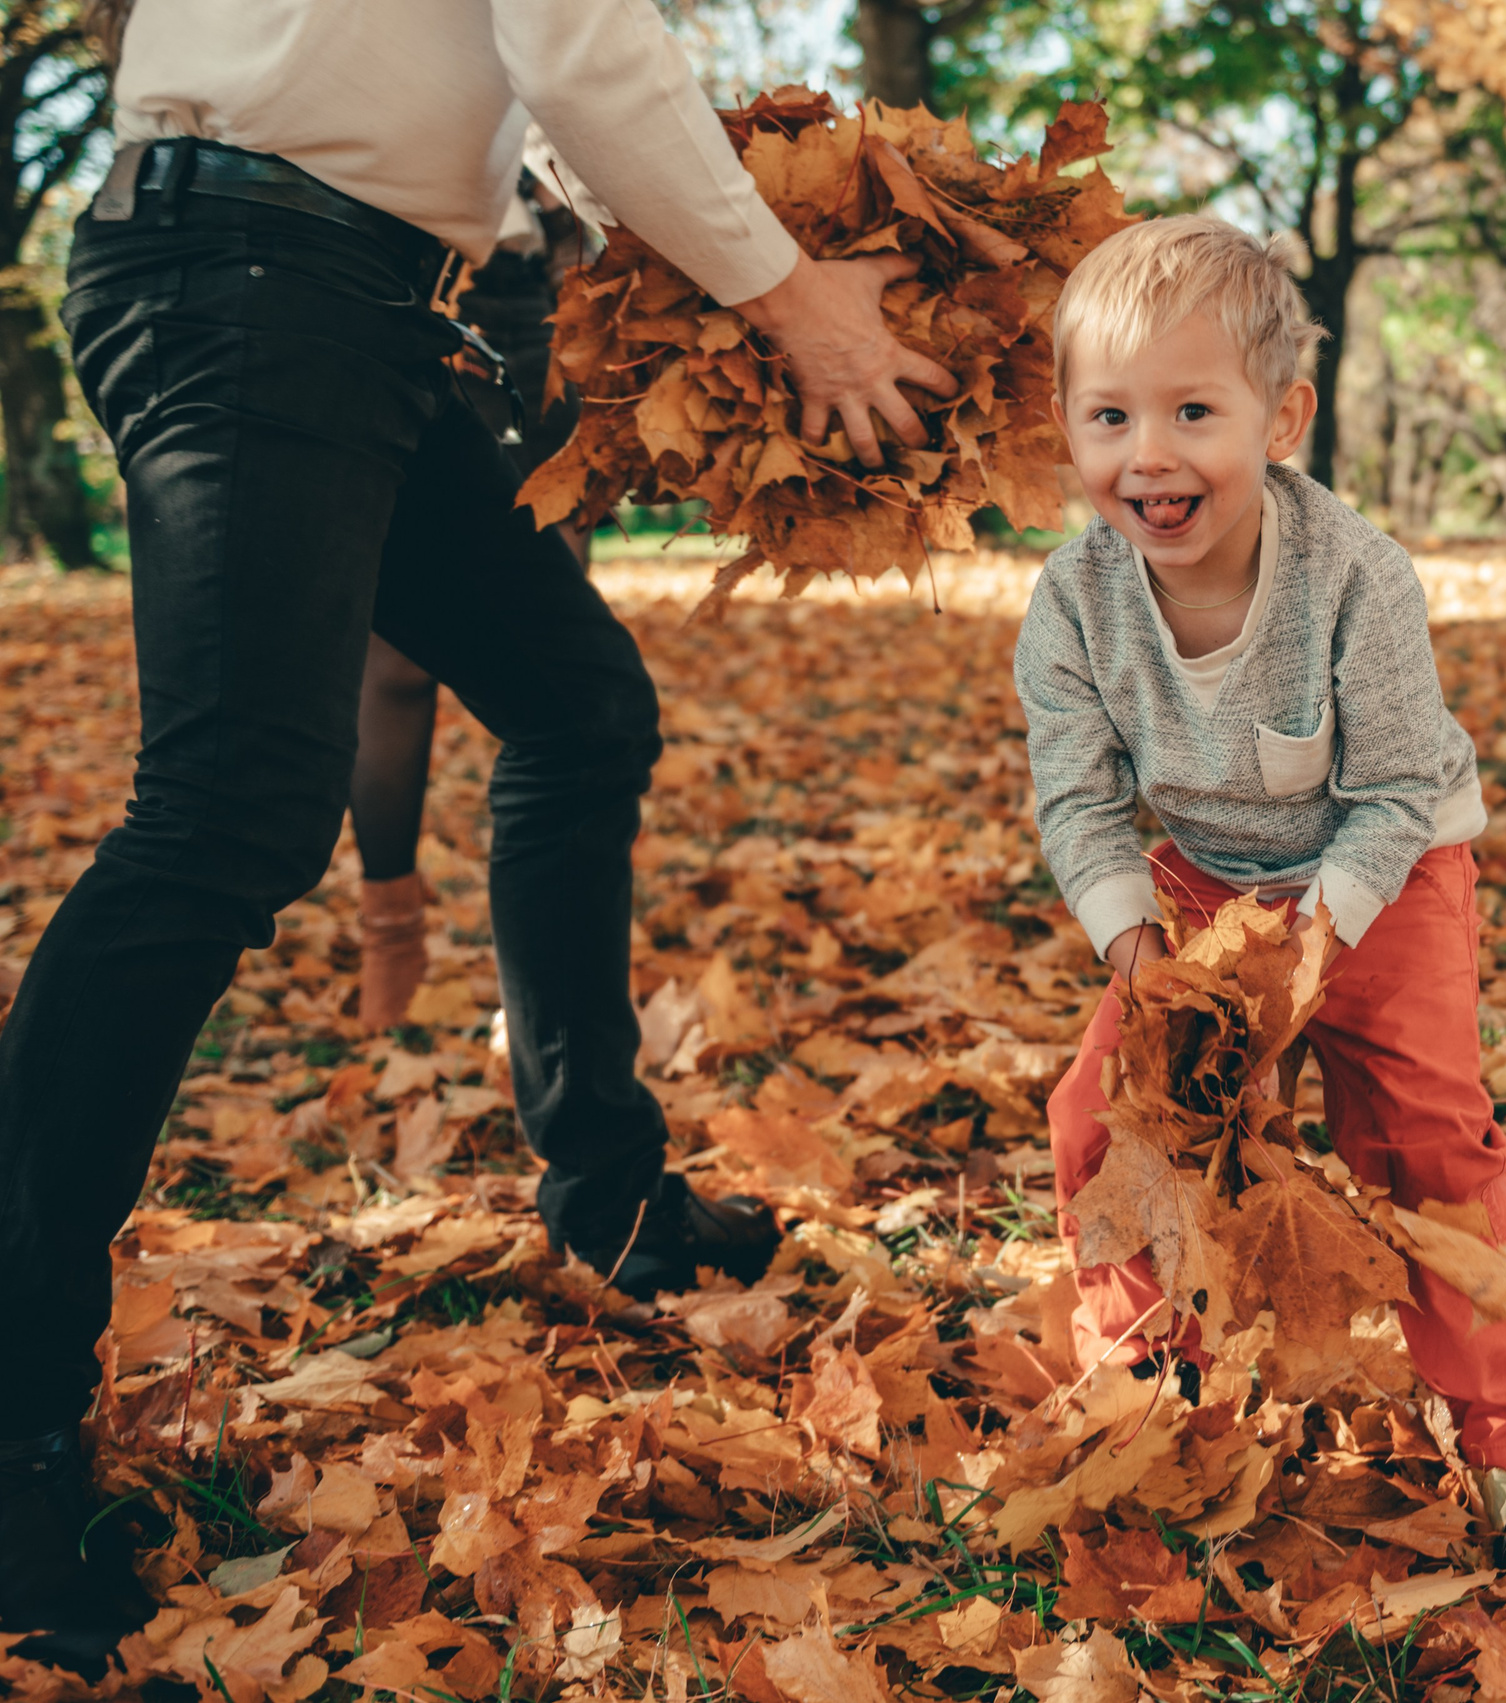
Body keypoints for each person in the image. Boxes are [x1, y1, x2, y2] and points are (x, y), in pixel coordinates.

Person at [0, 1, 956, 1669]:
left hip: (356, 299)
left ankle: (609, 1197)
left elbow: (545, 86)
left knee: (579, 708)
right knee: (227, 812)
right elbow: (581, 39)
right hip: (256, 277)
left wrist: (693, 265)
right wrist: (796, 300)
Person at [1015, 217, 1506, 1569]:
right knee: (1113, 1117)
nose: (1148, 454)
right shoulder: (1073, 602)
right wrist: (1139, 953)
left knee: (1423, 1136)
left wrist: (1312, 947)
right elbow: (1081, 802)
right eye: (1110, 416)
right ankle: (1149, 1392)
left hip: (1383, 873)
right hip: (1200, 883)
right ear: (1065, 426)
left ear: (1281, 418)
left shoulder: (1352, 574)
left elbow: (1395, 790)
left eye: (1193, 412)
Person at [357, 159, 594, 1030]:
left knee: (558, 660)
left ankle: (548, 960)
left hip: (554, 319)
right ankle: (391, 929)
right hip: (431, 302)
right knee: (396, 665)